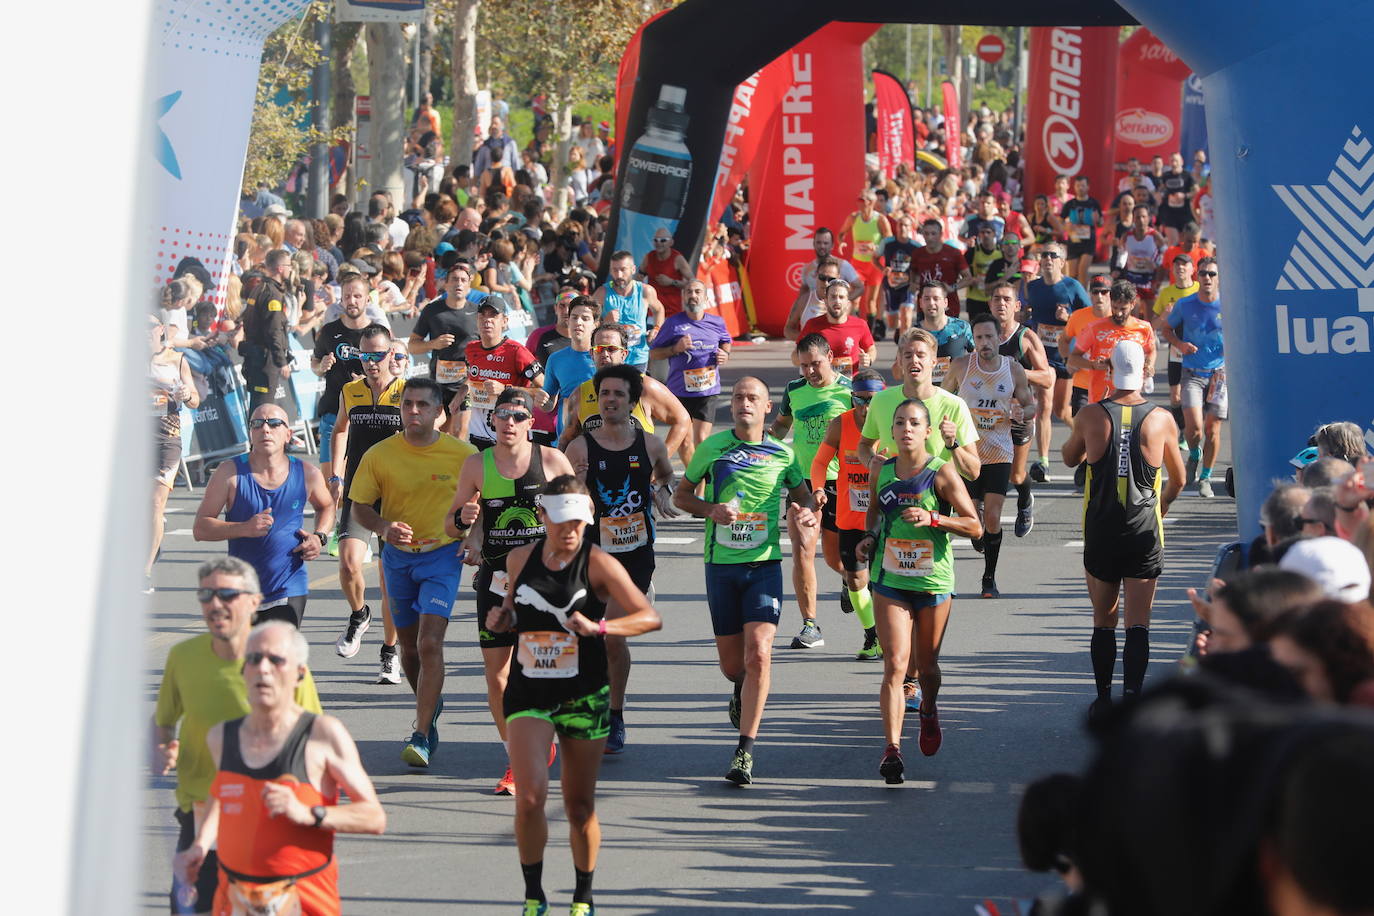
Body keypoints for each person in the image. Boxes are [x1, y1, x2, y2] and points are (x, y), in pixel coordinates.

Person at [486, 475, 661, 915]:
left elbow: (648, 617)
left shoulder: (598, 562)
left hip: (584, 694)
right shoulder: (518, 558)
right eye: (561, 520)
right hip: (529, 692)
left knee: (579, 806)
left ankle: (583, 894)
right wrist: (502, 618)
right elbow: (511, 610)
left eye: (579, 522)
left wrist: (601, 627)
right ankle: (534, 895)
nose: (570, 531)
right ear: (542, 516)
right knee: (529, 797)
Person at [174, 621, 385, 915]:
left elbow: (373, 817)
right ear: (243, 671)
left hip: (305, 900)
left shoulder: (322, 735)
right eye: (254, 659)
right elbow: (220, 795)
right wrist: (199, 845)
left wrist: (309, 813)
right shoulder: (222, 736)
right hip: (235, 899)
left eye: (276, 660)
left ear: (299, 673)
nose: (263, 668)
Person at [153, 558, 324, 913]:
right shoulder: (183, 658)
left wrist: (307, 811)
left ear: (254, 601)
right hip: (199, 811)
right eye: (206, 594)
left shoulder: (282, 662)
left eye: (227, 594)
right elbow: (164, 721)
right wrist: (162, 746)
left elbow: (315, 739)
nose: (215, 604)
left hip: (268, 820)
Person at [673, 377, 818, 786]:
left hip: (764, 565)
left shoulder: (783, 453)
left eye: (753, 398)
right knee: (733, 666)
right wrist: (710, 509)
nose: (744, 404)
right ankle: (740, 688)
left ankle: (744, 751)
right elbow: (682, 495)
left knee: (759, 653)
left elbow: (803, 495)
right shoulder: (712, 448)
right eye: (737, 397)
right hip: (721, 566)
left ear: (767, 407)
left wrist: (807, 511)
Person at [448, 388, 575, 794]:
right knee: (498, 676)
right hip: (495, 581)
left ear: (531, 421)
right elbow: (452, 526)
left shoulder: (552, 460)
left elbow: (581, 516)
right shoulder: (476, 465)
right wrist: (464, 522)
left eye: (518, 416)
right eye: (503, 415)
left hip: (544, 583)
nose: (510, 423)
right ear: (493, 419)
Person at [348, 378, 478, 766]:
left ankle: (420, 734)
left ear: (441, 412)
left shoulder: (464, 454)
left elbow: (485, 500)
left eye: (423, 405)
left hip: (441, 556)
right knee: (407, 648)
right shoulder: (379, 454)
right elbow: (360, 507)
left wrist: (475, 536)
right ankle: (429, 706)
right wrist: (385, 527)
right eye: (408, 404)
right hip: (398, 559)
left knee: (429, 643)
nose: (414, 411)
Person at [857, 398, 982, 783]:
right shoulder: (883, 470)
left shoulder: (941, 472)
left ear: (927, 431)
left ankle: (928, 709)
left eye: (914, 423)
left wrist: (935, 518)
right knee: (895, 663)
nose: (906, 428)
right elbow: (875, 512)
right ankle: (892, 749)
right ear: (891, 431)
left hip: (932, 581)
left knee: (927, 667)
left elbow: (975, 526)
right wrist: (869, 538)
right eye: (899, 423)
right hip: (891, 579)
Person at [1061, 340, 1185, 721]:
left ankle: (1103, 698)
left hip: (1100, 528)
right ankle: (1133, 698)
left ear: (1110, 372)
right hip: (1144, 529)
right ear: (1145, 372)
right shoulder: (1162, 418)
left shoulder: (1091, 414)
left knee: (1103, 619)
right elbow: (1179, 479)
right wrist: (1158, 509)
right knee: (1138, 622)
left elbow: (1068, 458)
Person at [564, 366, 678, 756]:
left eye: (618, 394)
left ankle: (614, 714)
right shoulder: (579, 449)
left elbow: (663, 477)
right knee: (586, 636)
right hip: (591, 552)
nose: (610, 400)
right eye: (604, 394)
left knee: (610, 633)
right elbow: (565, 501)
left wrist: (662, 495)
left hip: (634, 553)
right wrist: (578, 491)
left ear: (632, 402)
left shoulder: (650, 445)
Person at [192, 404, 334, 626]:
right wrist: (243, 528)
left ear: (288, 434)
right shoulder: (229, 473)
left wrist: (319, 536)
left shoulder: (307, 473)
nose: (265, 429)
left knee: (278, 654)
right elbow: (200, 528)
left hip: (288, 585)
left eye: (274, 423)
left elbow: (326, 506)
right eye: (257, 424)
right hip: (242, 590)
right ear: (250, 433)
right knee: (245, 660)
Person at [330, 325, 407, 683]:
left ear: (392, 354)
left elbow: (431, 430)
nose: (372, 362)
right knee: (347, 564)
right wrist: (335, 473)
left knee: (388, 579)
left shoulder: (407, 392)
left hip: (396, 495)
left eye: (378, 354)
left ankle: (389, 653)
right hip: (360, 492)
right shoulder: (351, 390)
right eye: (365, 355)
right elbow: (340, 429)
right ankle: (359, 614)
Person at [770, 335, 853, 649]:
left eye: (815, 364)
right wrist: (767, 442)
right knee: (803, 550)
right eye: (803, 366)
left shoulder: (849, 390)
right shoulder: (794, 391)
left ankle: (849, 578)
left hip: (839, 483)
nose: (809, 371)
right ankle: (810, 625)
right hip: (801, 484)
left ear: (830, 356)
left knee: (834, 559)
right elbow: (781, 426)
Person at [946, 313, 1037, 598]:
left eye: (989, 337)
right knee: (973, 523)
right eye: (980, 338)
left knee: (994, 517)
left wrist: (1024, 412)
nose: (985, 343)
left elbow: (1030, 405)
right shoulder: (961, 366)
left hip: (999, 450)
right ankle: (981, 535)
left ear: (999, 338)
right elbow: (941, 397)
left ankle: (989, 579)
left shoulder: (1013, 370)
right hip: (967, 451)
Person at [811, 368, 888, 659]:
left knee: (883, 581)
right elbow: (820, 463)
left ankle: (890, 636)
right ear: (852, 398)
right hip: (849, 514)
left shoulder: (893, 425)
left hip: (885, 516)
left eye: (873, 400)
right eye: (860, 400)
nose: (866, 407)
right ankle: (872, 636)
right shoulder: (840, 425)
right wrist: (819, 489)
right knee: (856, 580)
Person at [560, 325, 692, 462]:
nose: (605, 354)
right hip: (595, 479)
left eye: (611, 349)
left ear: (623, 354)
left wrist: (659, 462)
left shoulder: (645, 387)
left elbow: (682, 419)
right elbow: (566, 439)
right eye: (599, 349)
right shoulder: (580, 394)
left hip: (637, 478)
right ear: (591, 354)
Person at [989, 283, 1055, 535]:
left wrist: (1016, 371)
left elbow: (1047, 378)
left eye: (1007, 299)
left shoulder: (1025, 337)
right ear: (990, 304)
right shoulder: (981, 334)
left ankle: (1025, 498)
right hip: (987, 415)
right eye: (996, 299)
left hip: (1019, 414)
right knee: (983, 472)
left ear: (1016, 306)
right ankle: (984, 523)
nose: (1001, 303)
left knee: (1015, 476)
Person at [1023, 242, 1090, 483]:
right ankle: (1043, 462)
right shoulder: (1032, 287)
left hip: (1066, 357)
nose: (1048, 258)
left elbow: (1090, 319)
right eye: (1045, 255)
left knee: (1063, 411)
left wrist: (1069, 318)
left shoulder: (1073, 287)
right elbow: (1024, 312)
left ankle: (1084, 440)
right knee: (1044, 405)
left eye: (1054, 255)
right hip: (1043, 357)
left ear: (1062, 262)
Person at [1161, 255, 1226, 496]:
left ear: (1219, 279)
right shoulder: (1186, 305)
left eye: (1212, 274)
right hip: (1192, 373)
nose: (1207, 278)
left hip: (1219, 374)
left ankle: (1206, 477)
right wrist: (1180, 344)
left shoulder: (1228, 304)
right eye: (1203, 274)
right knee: (1195, 428)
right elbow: (1166, 329)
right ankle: (1194, 454)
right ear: (1196, 277)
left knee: (1213, 429)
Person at [148, 313, 201, 590]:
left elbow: (194, 399)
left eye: (149, 327)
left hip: (167, 440)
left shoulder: (176, 359)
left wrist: (186, 395)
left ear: (159, 329)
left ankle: (143, 572)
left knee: (156, 503)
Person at [648, 278, 733, 450]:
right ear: (683, 297)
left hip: (707, 391)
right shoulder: (673, 324)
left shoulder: (717, 322)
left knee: (701, 439)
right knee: (685, 443)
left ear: (706, 297)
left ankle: (699, 475)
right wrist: (675, 349)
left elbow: (726, 340)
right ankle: (696, 477)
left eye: (697, 292)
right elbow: (654, 353)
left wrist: (726, 354)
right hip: (680, 391)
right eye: (688, 292)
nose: (692, 295)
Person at [464, 294, 546, 450]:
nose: (487, 320)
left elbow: (544, 389)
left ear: (504, 321)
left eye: (493, 315)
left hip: (509, 430)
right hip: (477, 432)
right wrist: (460, 395)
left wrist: (505, 389)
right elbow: (471, 379)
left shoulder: (517, 351)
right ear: (477, 320)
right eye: (482, 315)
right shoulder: (471, 348)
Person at [409, 260, 480, 434]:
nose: (459, 284)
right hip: (439, 383)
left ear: (469, 287)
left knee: (459, 430)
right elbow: (412, 346)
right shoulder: (432, 311)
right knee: (437, 431)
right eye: (454, 279)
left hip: (466, 384)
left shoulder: (477, 312)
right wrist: (434, 344)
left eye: (464, 280)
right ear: (446, 284)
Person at [1066, 279, 1158, 407]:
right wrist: (1093, 364)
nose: (1118, 313)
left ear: (1133, 304)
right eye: (1115, 308)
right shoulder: (1094, 328)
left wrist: (1149, 365)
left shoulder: (1143, 328)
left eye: (1123, 308)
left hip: (1131, 398)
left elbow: (1151, 350)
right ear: (1110, 302)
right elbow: (1073, 359)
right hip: (1101, 398)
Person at [1150, 253, 1199, 433]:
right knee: (1175, 397)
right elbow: (1152, 327)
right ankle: (1185, 433)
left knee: (1199, 395)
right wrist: (1164, 316)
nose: (1180, 268)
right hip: (1176, 349)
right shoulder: (1167, 293)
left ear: (1192, 269)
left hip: (1199, 350)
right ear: (1172, 269)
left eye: (1185, 265)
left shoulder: (1200, 290)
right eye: (1177, 265)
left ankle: (1196, 429)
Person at [240, 249, 295, 411]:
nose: (290, 269)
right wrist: (281, 361)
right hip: (265, 360)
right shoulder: (272, 294)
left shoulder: (260, 288)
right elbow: (274, 330)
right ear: (280, 268)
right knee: (262, 408)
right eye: (289, 265)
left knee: (259, 406)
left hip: (256, 357)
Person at [594, 250, 663, 371]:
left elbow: (659, 310)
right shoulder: (602, 293)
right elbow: (589, 321)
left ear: (633, 269)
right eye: (615, 270)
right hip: (611, 358)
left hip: (638, 357)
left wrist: (656, 329)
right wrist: (605, 322)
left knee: (636, 390)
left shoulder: (645, 291)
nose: (619, 275)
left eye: (623, 269)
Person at [541, 296, 598, 440]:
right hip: (567, 439)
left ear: (595, 324)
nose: (578, 322)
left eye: (585, 318)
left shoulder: (604, 357)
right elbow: (548, 404)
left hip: (600, 438)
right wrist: (541, 401)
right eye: (574, 317)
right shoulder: (555, 359)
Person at [797, 279, 877, 376]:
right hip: (821, 385)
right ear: (826, 301)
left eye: (841, 297)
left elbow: (871, 349)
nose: (837, 301)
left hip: (849, 386)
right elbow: (796, 354)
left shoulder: (860, 325)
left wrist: (868, 358)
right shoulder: (812, 325)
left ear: (847, 303)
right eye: (833, 297)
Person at [838, 188, 892, 324]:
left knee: (870, 302)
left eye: (862, 200)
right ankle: (852, 327)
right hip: (857, 264)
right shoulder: (854, 217)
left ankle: (871, 331)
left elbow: (890, 242)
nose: (859, 203)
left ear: (872, 202)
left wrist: (876, 247)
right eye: (858, 200)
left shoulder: (880, 219)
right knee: (854, 298)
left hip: (874, 265)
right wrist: (841, 242)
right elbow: (841, 233)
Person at [914, 281, 973, 388]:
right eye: (927, 299)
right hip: (923, 396)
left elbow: (977, 361)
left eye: (936, 298)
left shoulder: (962, 328)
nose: (931, 303)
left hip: (955, 397)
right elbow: (898, 372)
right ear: (921, 303)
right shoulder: (914, 333)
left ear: (945, 303)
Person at [910, 217, 972, 318]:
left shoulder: (953, 253)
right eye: (926, 233)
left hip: (949, 307)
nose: (929, 237)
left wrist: (952, 288)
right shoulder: (917, 253)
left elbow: (968, 278)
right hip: (925, 308)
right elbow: (913, 273)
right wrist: (913, 284)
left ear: (941, 234)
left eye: (933, 234)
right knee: (924, 334)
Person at [1056, 175, 1103, 286]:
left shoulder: (1093, 203)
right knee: (1072, 274)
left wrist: (1098, 220)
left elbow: (1100, 222)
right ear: (1074, 187)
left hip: (1089, 242)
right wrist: (1066, 227)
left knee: (1083, 272)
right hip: (1074, 241)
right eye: (1078, 185)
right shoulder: (1070, 204)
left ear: (1088, 187)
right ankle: (1074, 298)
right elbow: (1060, 221)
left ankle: (1084, 300)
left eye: (1083, 185)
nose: (1080, 188)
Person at [639, 229, 692, 318]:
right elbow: (638, 277)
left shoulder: (677, 259)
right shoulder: (649, 257)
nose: (658, 243)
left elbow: (693, 283)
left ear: (671, 242)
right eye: (656, 240)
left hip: (672, 313)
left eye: (663, 240)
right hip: (653, 312)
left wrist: (672, 282)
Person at [961, 223, 1003, 318]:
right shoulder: (972, 252)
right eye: (982, 232)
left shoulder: (1001, 252)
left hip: (994, 297)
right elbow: (961, 270)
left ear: (994, 234)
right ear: (979, 235)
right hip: (975, 298)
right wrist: (970, 279)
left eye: (988, 232)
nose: (985, 235)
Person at [879, 254, 916, 340]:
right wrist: (883, 269)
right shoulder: (887, 243)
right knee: (892, 324)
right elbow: (874, 258)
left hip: (908, 286)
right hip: (891, 286)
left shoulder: (917, 243)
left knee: (906, 315)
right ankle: (900, 326)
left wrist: (916, 281)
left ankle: (904, 342)